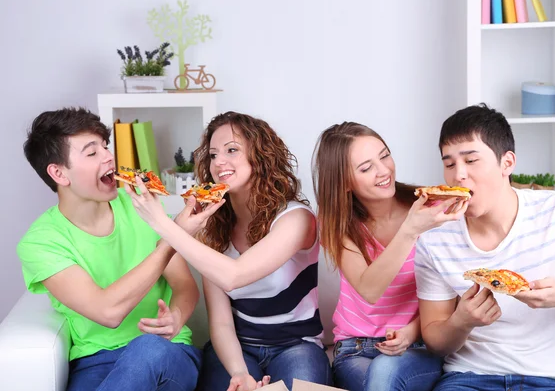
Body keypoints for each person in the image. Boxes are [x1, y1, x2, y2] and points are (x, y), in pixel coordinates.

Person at [124, 111, 332, 391]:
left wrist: (161, 222)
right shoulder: (215, 231)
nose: (219, 162)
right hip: (237, 349)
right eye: (212, 155)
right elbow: (221, 322)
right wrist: (239, 373)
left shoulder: (296, 219)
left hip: (298, 346)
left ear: (260, 156)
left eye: (232, 150)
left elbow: (234, 275)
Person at [415, 103, 555, 391]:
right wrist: (462, 322)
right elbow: (436, 341)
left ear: (507, 163)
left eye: (471, 160)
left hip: (550, 381)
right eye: (449, 164)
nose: (458, 175)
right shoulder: (434, 237)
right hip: (468, 379)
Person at [16, 108, 202, 391]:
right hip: (96, 361)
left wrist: (176, 317)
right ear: (58, 173)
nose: (108, 156)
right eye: (92, 153)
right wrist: (171, 241)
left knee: (148, 349)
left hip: (167, 351)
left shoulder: (143, 207)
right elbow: (107, 312)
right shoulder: (41, 243)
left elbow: (185, 286)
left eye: (105, 146)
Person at [311, 121, 467, 391]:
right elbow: (369, 288)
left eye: (384, 155)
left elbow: (456, 288)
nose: (383, 171)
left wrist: (413, 331)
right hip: (354, 349)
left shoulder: (434, 207)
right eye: (366, 167)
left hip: (417, 346)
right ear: (344, 182)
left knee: (384, 374)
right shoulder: (335, 222)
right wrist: (410, 231)